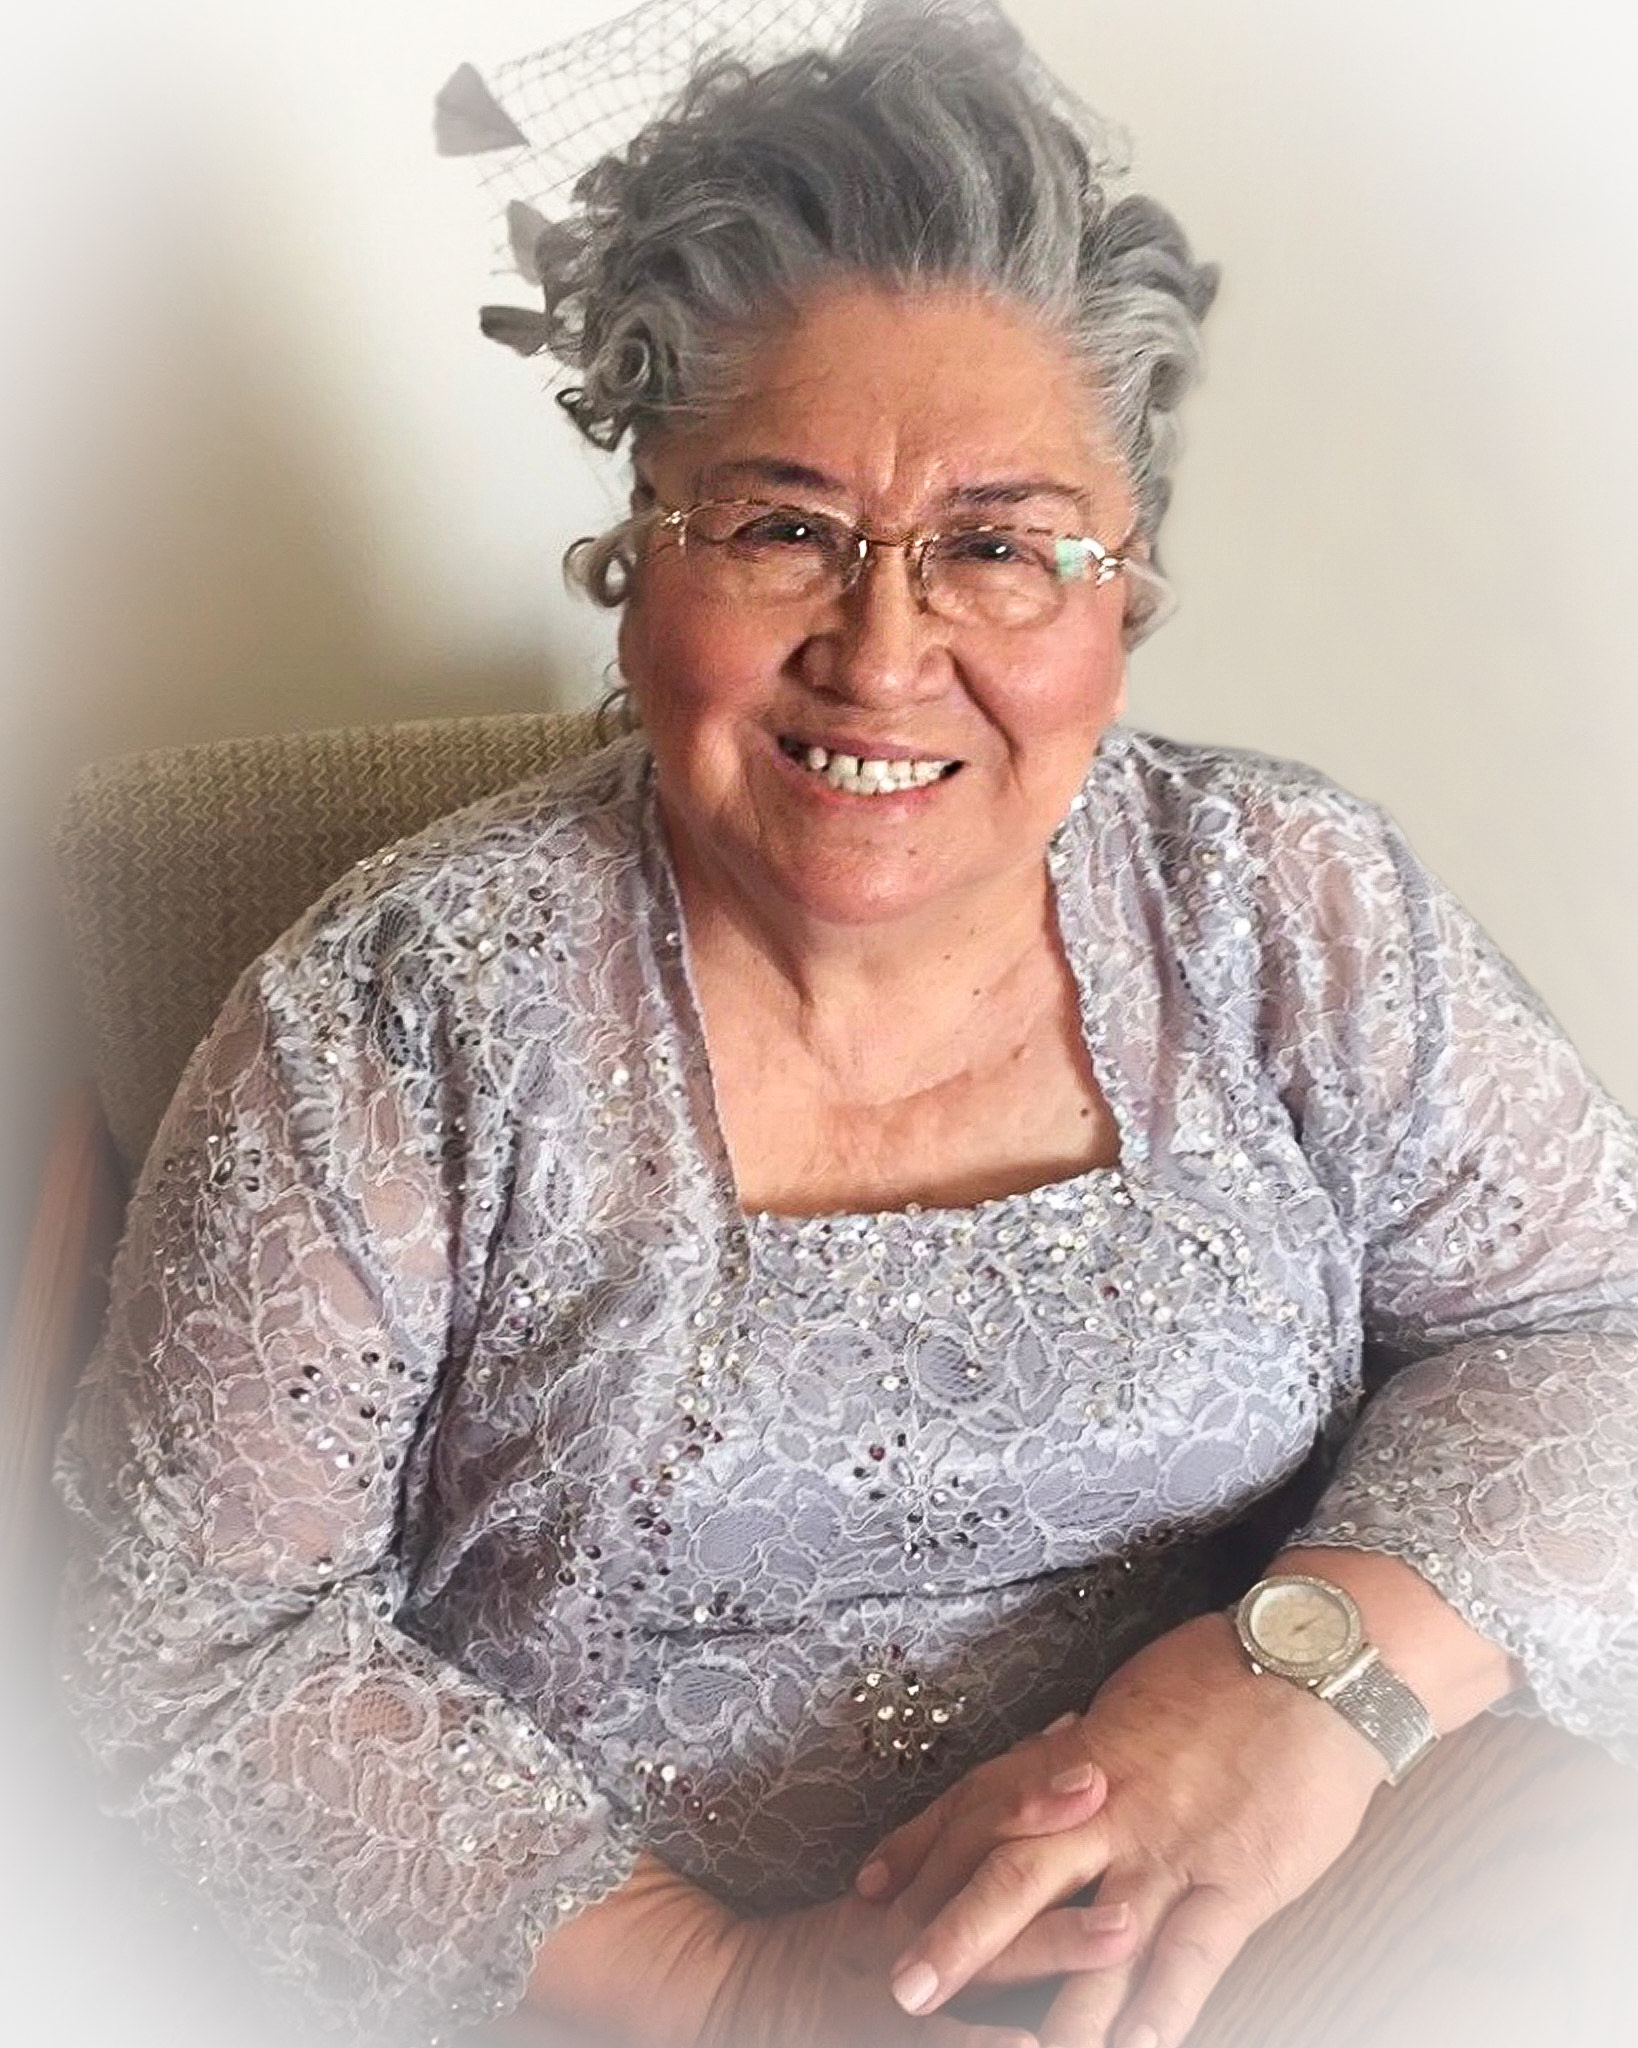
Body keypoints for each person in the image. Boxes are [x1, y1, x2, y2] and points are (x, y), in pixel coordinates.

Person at [55, 2, 1638, 2045]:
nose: (884, 654)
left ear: (1124, 588)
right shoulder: (393, 1026)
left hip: (1282, 1927)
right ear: (639, 555)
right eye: (785, 527)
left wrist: (1303, 1681)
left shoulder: (1285, 907)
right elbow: (196, 1644)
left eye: (997, 547)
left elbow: (1591, 1323)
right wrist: (723, 1987)